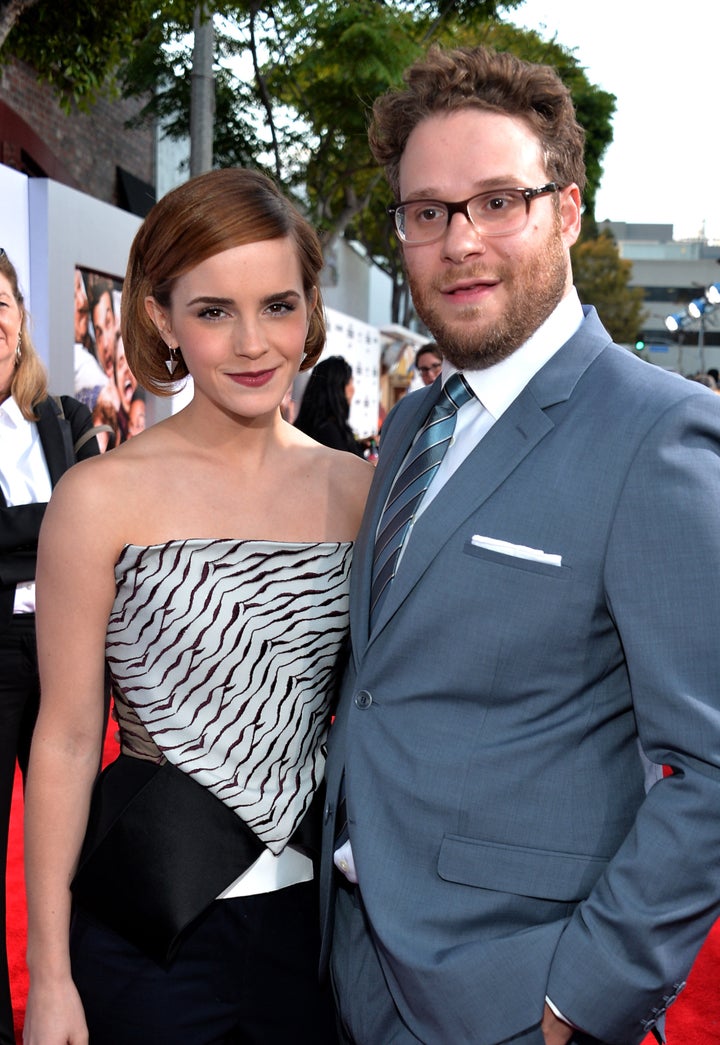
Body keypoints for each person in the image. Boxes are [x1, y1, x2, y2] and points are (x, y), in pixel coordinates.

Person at [320, 44, 720, 1045]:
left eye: (499, 201)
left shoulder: (657, 434)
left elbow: (709, 765)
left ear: (569, 211)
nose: (460, 242)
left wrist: (580, 999)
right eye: (427, 211)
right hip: (359, 966)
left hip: (517, 996)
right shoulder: (415, 426)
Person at [23, 168, 373, 1045]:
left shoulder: (361, 492)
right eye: (214, 310)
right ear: (160, 316)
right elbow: (66, 737)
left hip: (317, 932)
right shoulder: (99, 496)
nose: (254, 342)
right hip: (147, 926)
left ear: (309, 308)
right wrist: (52, 976)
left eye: (278, 305)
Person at [0, 248, 101, 1045]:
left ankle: (77, 995)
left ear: (21, 316)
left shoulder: (60, 420)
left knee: (74, 841)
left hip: (63, 652)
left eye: (1, 303)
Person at [295, 355, 365, 456]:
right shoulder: (329, 433)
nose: (353, 390)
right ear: (337, 389)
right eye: (349, 383)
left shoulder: (308, 428)